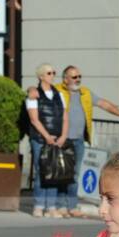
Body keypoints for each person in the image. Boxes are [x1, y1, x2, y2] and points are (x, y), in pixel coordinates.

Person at [56, 65, 119, 217]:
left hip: (79, 140)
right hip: (63, 139)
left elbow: (103, 103)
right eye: (74, 77)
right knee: (62, 173)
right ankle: (60, 206)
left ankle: (72, 206)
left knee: (75, 174)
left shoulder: (84, 93)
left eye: (79, 76)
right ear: (65, 79)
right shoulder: (58, 91)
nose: (78, 79)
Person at [25, 63, 70, 218]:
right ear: (41, 76)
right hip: (40, 139)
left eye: (53, 72)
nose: (53, 75)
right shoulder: (33, 94)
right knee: (41, 172)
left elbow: (65, 117)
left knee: (54, 172)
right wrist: (47, 136)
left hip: (57, 138)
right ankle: (38, 206)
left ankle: (51, 207)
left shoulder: (59, 94)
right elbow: (34, 119)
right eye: (49, 73)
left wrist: (63, 135)